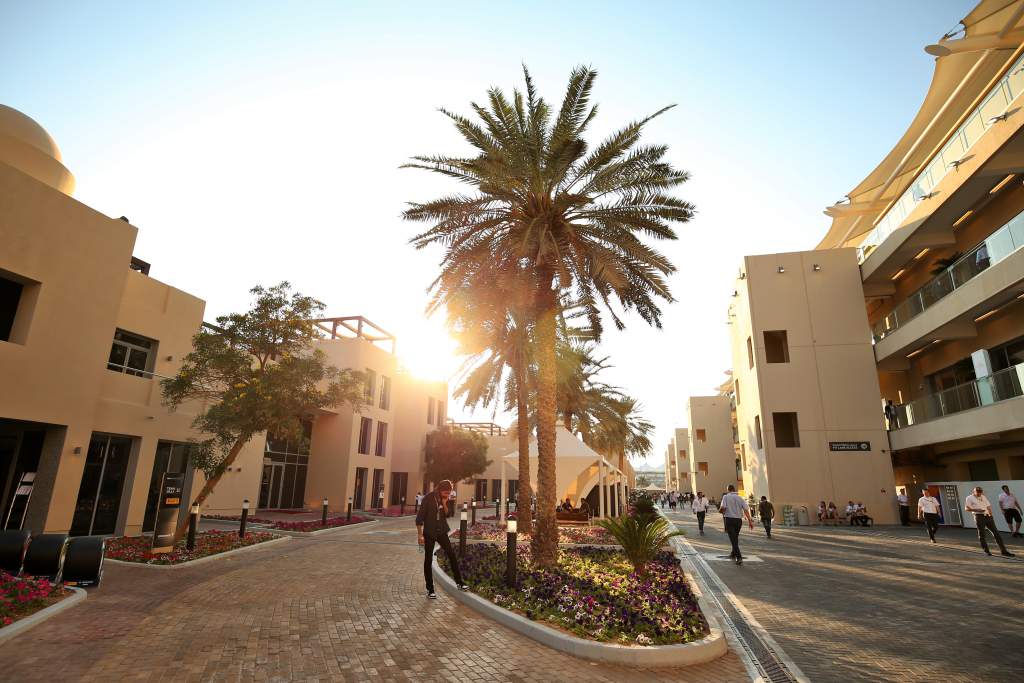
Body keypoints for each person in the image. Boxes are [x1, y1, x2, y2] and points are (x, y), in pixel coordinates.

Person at [416, 480, 469, 598]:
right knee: (428, 559)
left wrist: (445, 503)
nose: (447, 495)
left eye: (449, 493)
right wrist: (420, 535)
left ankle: (460, 583)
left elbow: (448, 514)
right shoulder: (428, 498)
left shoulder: (446, 498)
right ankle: (430, 590)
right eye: (445, 492)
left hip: (442, 531)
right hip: (429, 532)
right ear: (439, 489)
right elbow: (419, 518)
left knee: (451, 555)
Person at [965, 486, 1015, 557]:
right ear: (973, 492)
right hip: (979, 516)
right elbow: (966, 508)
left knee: (996, 533)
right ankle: (986, 551)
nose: (979, 493)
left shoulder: (983, 496)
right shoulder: (969, 498)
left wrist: (991, 514)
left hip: (988, 516)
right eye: (977, 492)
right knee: (982, 535)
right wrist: (977, 510)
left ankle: (1004, 551)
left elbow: (988, 506)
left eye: (980, 492)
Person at [719, 485, 754, 565]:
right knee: (735, 537)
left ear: (728, 490)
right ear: (734, 489)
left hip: (729, 519)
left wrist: (720, 511)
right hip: (738, 521)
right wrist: (750, 521)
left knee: (733, 539)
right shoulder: (740, 498)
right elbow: (745, 510)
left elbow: (723, 507)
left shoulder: (726, 497)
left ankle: (739, 557)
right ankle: (733, 553)